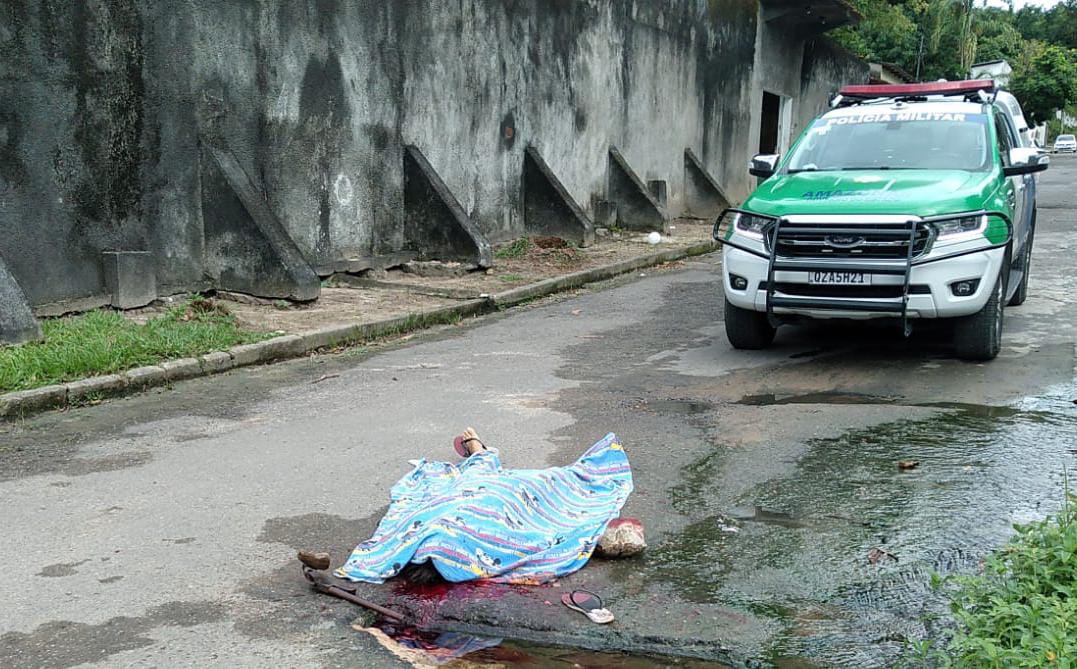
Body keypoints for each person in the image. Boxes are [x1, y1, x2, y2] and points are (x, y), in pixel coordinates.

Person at [318, 427, 637, 585]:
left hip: (492, 496)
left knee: (524, 481)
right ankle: (480, 450)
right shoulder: (437, 541)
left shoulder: (434, 538)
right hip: (483, 500)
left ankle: (480, 450)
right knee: (505, 481)